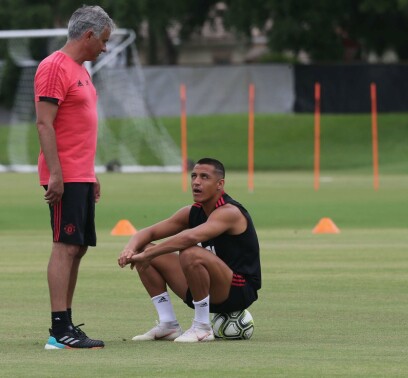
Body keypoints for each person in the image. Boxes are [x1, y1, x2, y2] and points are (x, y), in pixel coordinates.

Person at [34, 5, 115, 350]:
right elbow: (44, 123)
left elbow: (79, 127)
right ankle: (58, 330)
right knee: (65, 246)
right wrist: (56, 173)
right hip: (63, 175)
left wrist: (90, 172)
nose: (105, 48)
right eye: (104, 41)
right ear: (89, 35)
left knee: (78, 247)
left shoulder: (80, 70)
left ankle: (66, 321)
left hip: (80, 174)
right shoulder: (54, 67)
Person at [118, 158, 261, 342]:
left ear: (220, 184)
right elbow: (149, 232)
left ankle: (202, 327)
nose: (196, 182)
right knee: (142, 249)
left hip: (238, 290)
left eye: (204, 177)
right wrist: (130, 249)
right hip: (205, 287)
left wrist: (149, 254)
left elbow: (190, 238)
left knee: (190, 252)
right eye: (193, 176)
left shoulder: (230, 212)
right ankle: (168, 324)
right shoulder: (192, 212)